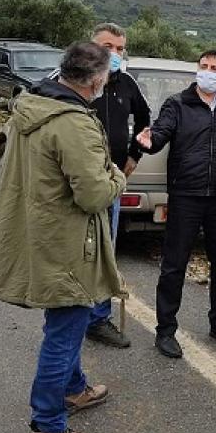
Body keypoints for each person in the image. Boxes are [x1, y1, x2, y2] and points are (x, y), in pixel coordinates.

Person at [0, 41, 126, 433]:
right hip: (67, 243)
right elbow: (94, 195)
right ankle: (47, 426)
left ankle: (75, 388)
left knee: (66, 320)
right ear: (97, 81)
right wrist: (117, 177)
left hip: (36, 232)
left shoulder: (31, 105)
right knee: (66, 327)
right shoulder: (73, 124)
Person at [136, 49, 216, 359]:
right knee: (174, 265)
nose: (208, 71)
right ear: (196, 70)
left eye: (215, 67)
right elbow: (161, 132)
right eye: (203, 66)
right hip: (185, 195)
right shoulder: (178, 104)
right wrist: (150, 141)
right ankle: (165, 331)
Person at [82, 22, 150, 349]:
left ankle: (98, 318)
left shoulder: (127, 83)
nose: (115, 53)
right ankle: (70, 311)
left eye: (120, 48)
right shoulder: (67, 81)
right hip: (76, 185)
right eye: (108, 46)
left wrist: (135, 154)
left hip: (111, 183)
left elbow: (145, 119)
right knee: (74, 249)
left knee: (106, 250)